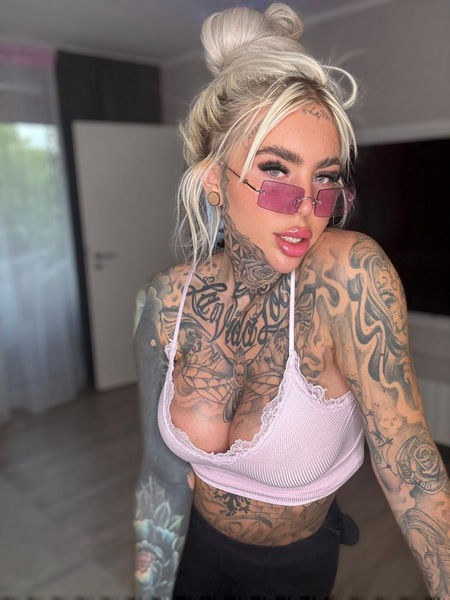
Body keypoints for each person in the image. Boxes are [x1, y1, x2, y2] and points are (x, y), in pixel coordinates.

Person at [133, 3, 450, 598]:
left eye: (325, 179)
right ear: (213, 180)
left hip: (293, 572)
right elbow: (161, 469)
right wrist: (152, 583)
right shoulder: (166, 298)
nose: (307, 207)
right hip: (194, 554)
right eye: (277, 170)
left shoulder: (348, 277)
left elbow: (413, 472)